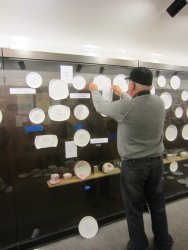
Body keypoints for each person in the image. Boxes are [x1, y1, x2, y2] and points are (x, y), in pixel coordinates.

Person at [89, 67, 174, 250]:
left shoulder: (127, 106)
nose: (127, 85)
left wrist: (94, 89)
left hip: (134, 167)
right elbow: (137, 106)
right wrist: (123, 94)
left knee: (134, 210)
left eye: (129, 83)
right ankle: (164, 242)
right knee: (158, 206)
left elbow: (101, 107)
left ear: (133, 84)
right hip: (156, 163)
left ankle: (138, 245)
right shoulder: (159, 103)